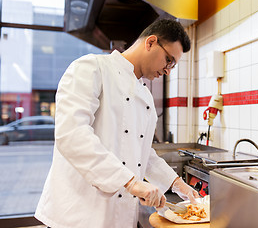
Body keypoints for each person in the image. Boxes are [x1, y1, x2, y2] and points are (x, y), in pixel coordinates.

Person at [35, 19, 200, 228]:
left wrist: (178, 185)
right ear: (150, 42)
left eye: (172, 65)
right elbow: (72, 135)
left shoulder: (146, 96)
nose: (168, 70)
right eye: (168, 61)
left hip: (119, 218)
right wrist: (130, 182)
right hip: (77, 215)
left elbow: (143, 152)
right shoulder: (91, 68)